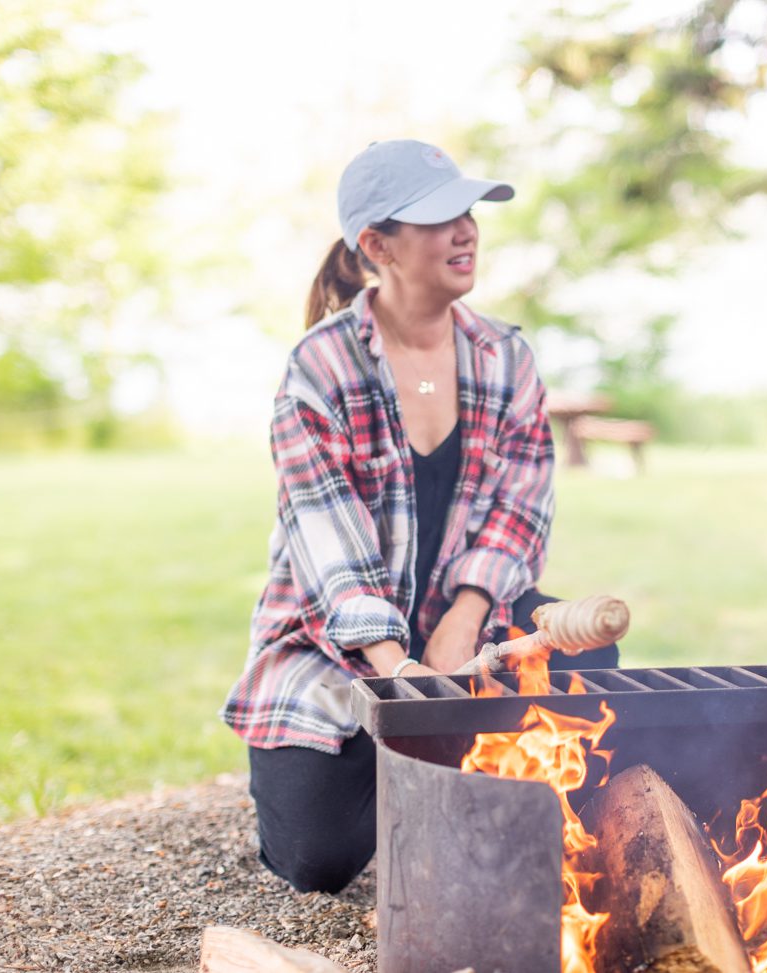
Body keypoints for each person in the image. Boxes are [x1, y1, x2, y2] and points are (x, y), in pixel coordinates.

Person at [222, 139, 619, 894]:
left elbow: (520, 508)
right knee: (318, 857)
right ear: (377, 245)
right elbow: (327, 547)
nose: (466, 229)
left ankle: (464, 780)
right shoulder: (320, 368)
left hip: (460, 627)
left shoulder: (507, 356)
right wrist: (401, 674)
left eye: (468, 211)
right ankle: (421, 760)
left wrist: (462, 622)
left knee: (589, 662)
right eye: (439, 217)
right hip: (337, 642)